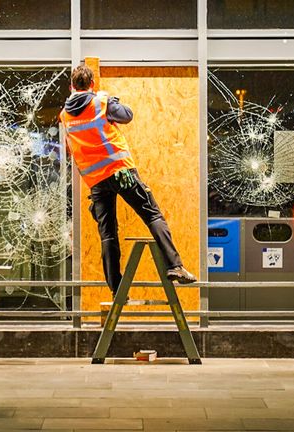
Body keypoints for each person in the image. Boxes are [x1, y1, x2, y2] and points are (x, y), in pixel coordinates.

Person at [59, 64, 196, 297]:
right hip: (121, 172)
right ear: (92, 84)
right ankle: (175, 266)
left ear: (72, 86)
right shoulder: (101, 102)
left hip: (96, 181)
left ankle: (116, 288)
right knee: (152, 215)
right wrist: (110, 99)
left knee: (108, 234)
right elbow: (128, 115)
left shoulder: (64, 115)